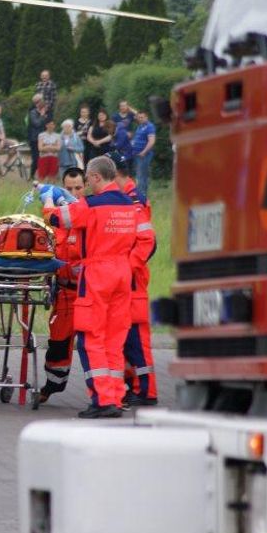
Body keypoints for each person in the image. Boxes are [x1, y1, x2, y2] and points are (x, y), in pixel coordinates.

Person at [40, 156, 153, 418]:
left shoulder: (90, 205)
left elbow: (57, 219)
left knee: (92, 336)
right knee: (115, 339)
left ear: (95, 177)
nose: (87, 184)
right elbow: (146, 239)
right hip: (123, 274)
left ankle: (102, 400)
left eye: (88, 180)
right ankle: (114, 395)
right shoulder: (132, 206)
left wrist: (48, 201)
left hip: (97, 274)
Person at [39, 167, 86, 404]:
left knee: (94, 344)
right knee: (58, 342)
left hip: (88, 291)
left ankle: (113, 391)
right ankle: (51, 386)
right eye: (68, 189)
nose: (74, 193)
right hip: (65, 292)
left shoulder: (91, 214)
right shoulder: (56, 219)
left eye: (78, 188)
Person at [115, 158, 158, 407]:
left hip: (133, 278)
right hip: (129, 275)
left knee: (136, 337)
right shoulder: (130, 197)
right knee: (127, 336)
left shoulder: (133, 201)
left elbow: (147, 241)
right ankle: (136, 385)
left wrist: (128, 266)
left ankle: (146, 390)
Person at [130, 109, 157, 200]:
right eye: (139, 117)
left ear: (146, 117)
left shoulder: (150, 127)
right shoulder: (140, 126)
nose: (140, 119)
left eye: (142, 117)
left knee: (142, 176)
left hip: (144, 155)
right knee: (138, 175)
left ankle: (142, 196)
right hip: (136, 155)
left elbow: (151, 141)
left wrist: (143, 152)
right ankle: (139, 195)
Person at [26, 94, 49, 180]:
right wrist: (42, 116)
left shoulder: (43, 113)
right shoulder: (33, 112)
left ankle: (42, 174)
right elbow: (36, 124)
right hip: (34, 138)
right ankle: (31, 175)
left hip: (43, 138)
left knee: (43, 157)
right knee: (36, 158)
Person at [36, 118, 61, 183]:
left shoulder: (58, 136)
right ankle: (40, 190)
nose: (51, 126)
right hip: (43, 157)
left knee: (52, 176)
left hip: (54, 157)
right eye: (49, 124)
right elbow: (40, 148)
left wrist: (46, 145)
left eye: (52, 124)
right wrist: (53, 145)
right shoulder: (41, 135)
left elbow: (58, 148)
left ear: (54, 126)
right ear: (46, 125)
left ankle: (51, 190)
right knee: (41, 176)